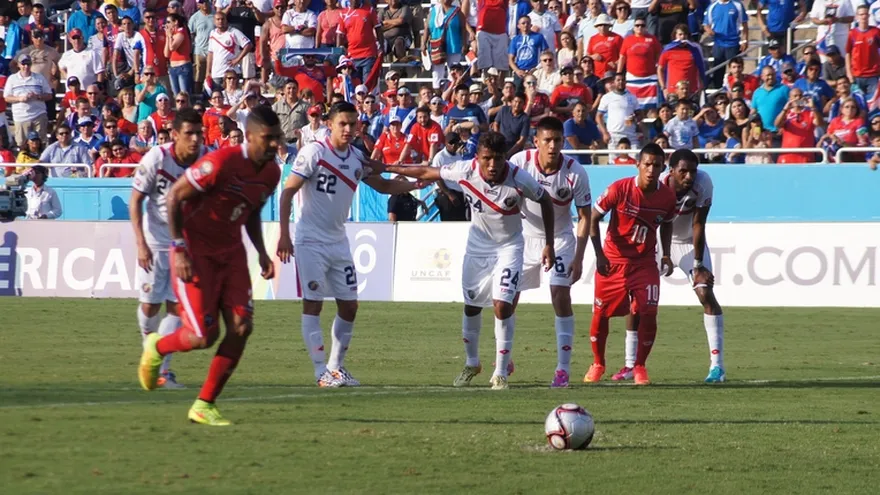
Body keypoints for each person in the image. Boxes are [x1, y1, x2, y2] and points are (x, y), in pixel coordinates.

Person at [137, 106, 282, 426]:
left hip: (231, 253)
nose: (274, 145)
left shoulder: (272, 173)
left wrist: (261, 252)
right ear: (251, 136)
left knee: (242, 327)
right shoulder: (222, 161)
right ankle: (157, 345)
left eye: (278, 138)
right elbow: (175, 196)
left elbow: (252, 211)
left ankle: (204, 403)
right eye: (268, 139)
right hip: (196, 253)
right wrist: (178, 248)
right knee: (203, 335)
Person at [387, 132, 556, 390]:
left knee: (502, 305)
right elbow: (425, 172)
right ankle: (472, 363)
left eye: (498, 159)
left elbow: (544, 199)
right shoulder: (464, 170)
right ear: (477, 158)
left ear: (504, 159)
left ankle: (500, 372)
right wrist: (387, 167)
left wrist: (549, 243)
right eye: (487, 158)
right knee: (471, 306)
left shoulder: (519, 178)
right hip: (477, 248)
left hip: (509, 247)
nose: (492, 165)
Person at [276, 101, 424, 388]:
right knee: (313, 303)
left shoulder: (357, 158)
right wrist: (284, 234)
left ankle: (335, 367)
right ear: (329, 124)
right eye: (342, 123)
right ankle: (320, 371)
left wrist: (413, 185)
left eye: (352, 124)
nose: (348, 128)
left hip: (338, 241)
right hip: (310, 241)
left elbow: (382, 186)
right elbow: (288, 192)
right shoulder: (314, 153)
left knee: (350, 306)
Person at [611, 150, 725, 382]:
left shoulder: (704, 183)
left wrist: (698, 264)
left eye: (692, 170)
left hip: (688, 245)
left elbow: (698, 224)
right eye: (683, 171)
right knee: (637, 300)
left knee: (705, 292)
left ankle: (717, 366)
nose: (689, 176)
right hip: (657, 243)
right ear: (670, 170)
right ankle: (630, 364)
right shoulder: (658, 185)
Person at [508, 117, 591, 388]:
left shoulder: (575, 172)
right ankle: (504, 357)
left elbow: (584, 216)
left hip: (561, 239)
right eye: (547, 140)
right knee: (507, 298)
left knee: (559, 293)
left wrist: (579, 258)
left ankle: (562, 369)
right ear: (537, 142)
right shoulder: (520, 162)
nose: (553, 146)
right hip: (525, 238)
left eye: (558, 140)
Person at [585, 143, 676, 385]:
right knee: (601, 314)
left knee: (648, 311)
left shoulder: (667, 196)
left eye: (656, 165)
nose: (651, 169)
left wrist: (666, 253)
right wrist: (599, 255)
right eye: (647, 164)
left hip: (645, 262)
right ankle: (598, 363)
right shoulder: (620, 188)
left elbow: (667, 223)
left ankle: (639, 367)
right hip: (613, 260)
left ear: (662, 167)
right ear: (638, 165)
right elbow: (593, 219)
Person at [129, 109, 208, 390]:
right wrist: (140, 244)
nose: (196, 139)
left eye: (199, 132)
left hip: (185, 245)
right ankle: (148, 350)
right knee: (150, 305)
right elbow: (136, 200)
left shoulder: (205, 159)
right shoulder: (157, 158)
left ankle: (162, 368)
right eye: (190, 133)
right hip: (155, 240)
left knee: (177, 307)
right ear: (175, 134)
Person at [5, 54, 53, 148]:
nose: (26, 66)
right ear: (18, 65)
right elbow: (6, 97)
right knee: (22, 144)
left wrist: (37, 96)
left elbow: (49, 95)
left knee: (41, 143)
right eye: (23, 64)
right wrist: (20, 99)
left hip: (38, 115)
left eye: (28, 64)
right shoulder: (12, 79)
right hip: (21, 117)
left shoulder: (39, 77)